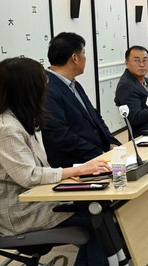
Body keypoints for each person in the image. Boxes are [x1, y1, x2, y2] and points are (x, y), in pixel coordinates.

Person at [0, 57, 131, 266]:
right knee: (99, 216)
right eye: (42, 84)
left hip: (34, 200)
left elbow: (36, 170)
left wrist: (73, 176)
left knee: (100, 205)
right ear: (27, 89)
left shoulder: (19, 120)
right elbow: (28, 176)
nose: (45, 91)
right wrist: (75, 171)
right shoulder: (5, 128)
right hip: (20, 214)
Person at [43, 32, 120, 168]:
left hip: (97, 156)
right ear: (75, 58)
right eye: (83, 53)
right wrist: (99, 154)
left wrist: (112, 143)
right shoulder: (47, 88)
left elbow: (94, 116)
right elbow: (60, 135)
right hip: (75, 164)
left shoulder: (74, 83)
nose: (85, 58)